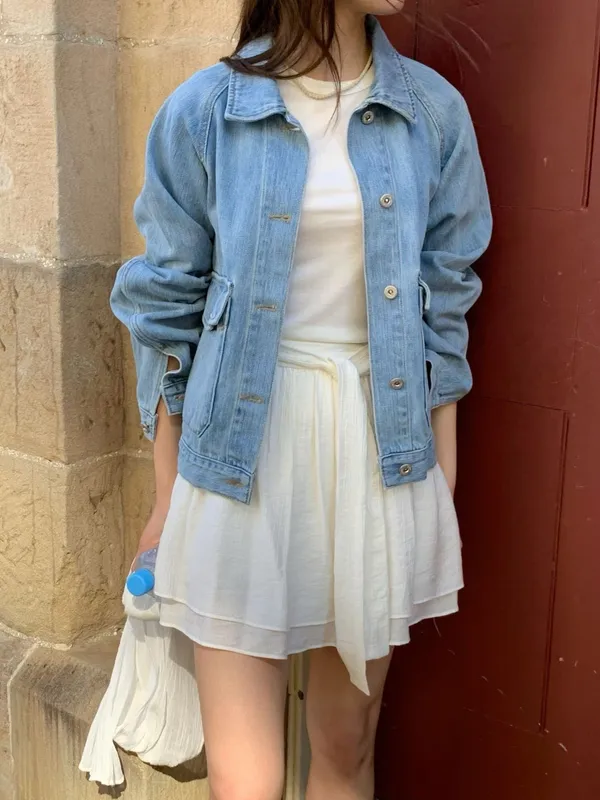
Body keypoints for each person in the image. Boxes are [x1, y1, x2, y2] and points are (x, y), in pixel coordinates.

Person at [108, 1, 492, 798]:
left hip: (375, 449)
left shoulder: (432, 114)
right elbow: (166, 313)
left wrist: (438, 478)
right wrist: (165, 498)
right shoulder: (204, 111)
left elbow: (444, 305)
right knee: (245, 781)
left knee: (345, 751)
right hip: (237, 451)